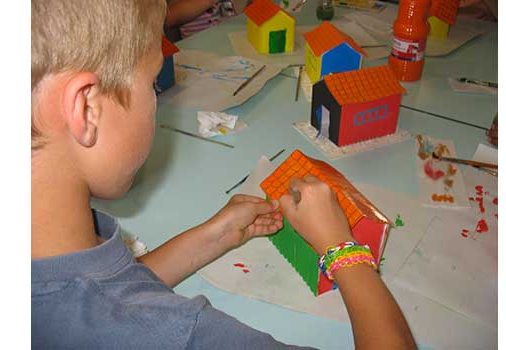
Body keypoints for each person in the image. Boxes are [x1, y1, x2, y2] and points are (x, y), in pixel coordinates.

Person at [31, 0, 416, 349]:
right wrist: (342, 249)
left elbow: (107, 292)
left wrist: (215, 235)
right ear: (86, 110)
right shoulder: (173, 333)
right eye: (151, 83)